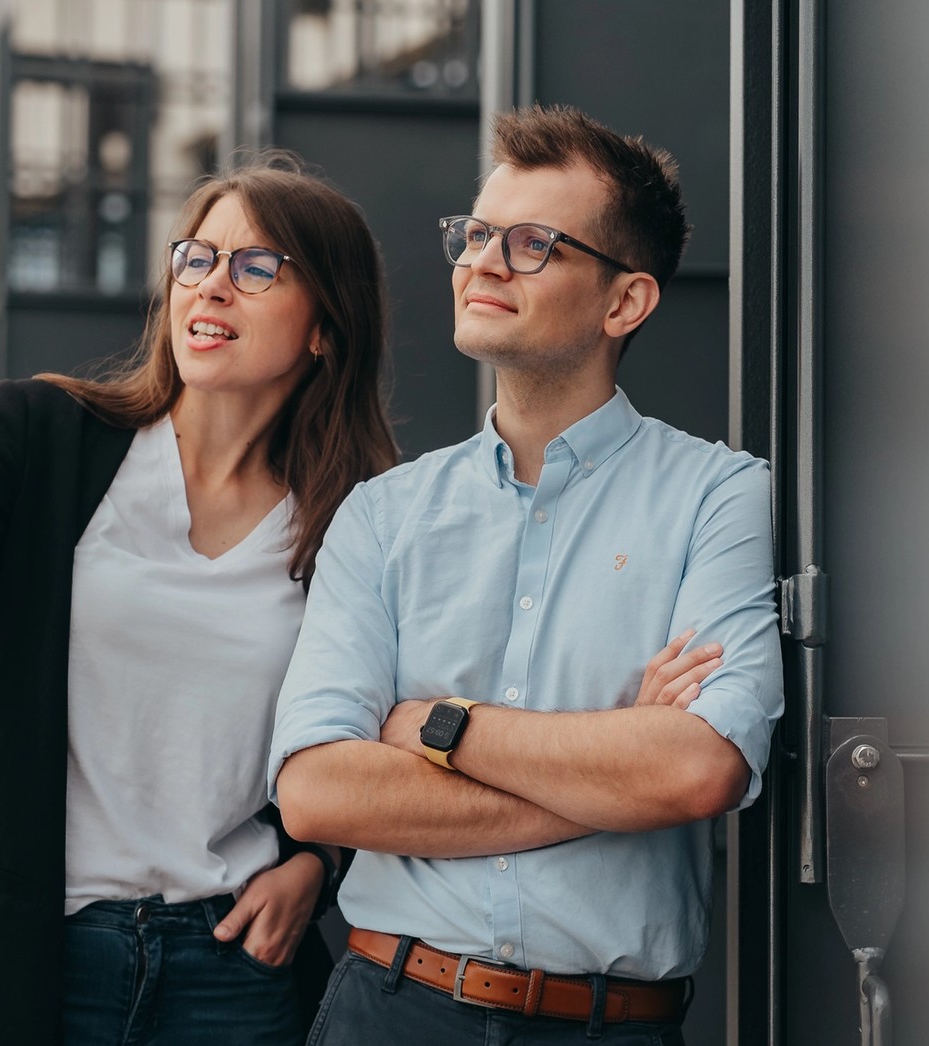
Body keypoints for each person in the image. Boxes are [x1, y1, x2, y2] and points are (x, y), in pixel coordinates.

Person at [0, 153, 398, 1044]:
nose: (212, 288)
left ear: (326, 326)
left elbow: (376, 726)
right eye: (196, 260)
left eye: (256, 268)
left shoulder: (358, 518)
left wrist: (316, 860)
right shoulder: (46, 434)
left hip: (234, 962)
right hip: (30, 949)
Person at [269, 104, 785, 1045]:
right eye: (476, 234)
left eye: (533, 243)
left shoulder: (720, 496)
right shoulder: (383, 516)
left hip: (607, 1027)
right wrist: (610, 769)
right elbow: (315, 793)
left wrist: (437, 728)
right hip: (388, 1011)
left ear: (624, 301)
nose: (482, 262)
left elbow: (697, 768)